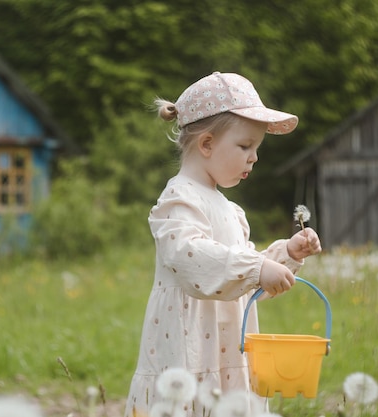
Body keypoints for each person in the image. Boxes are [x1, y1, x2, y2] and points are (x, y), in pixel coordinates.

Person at [124, 72, 322, 417]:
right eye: (245, 146)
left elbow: (240, 277)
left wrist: (285, 255)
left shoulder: (230, 210)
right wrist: (257, 268)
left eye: (256, 148)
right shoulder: (179, 199)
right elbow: (193, 259)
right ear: (207, 144)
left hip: (228, 351)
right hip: (188, 351)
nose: (254, 158)